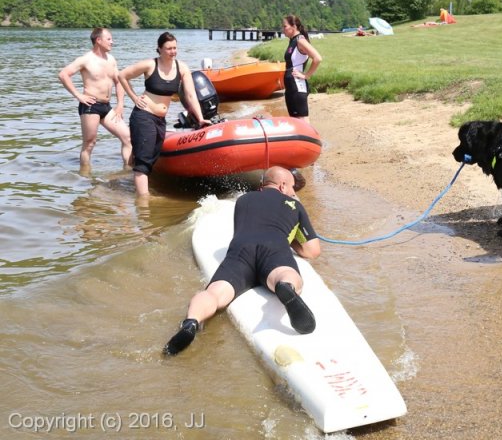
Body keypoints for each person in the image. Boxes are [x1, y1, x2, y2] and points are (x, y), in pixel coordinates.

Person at [164, 166, 321, 356]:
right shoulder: (294, 205)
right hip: (273, 249)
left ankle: (191, 322)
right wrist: (292, 236)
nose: (293, 192)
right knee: (283, 274)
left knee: (214, 293)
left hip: (240, 252)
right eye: (292, 187)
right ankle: (285, 286)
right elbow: (313, 251)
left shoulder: (243, 200)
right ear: (282, 186)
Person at [118, 32, 210, 197]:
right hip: (143, 116)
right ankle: (143, 202)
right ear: (159, 49)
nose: (173, 51)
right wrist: (134, 98)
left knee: (150, 157)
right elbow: (122, 75)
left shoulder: (182, 68)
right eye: (168, 48)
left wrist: (200, 117)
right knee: (143, 163)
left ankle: (130, 170)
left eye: (175, 48)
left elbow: (190, 95)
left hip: (160, 120)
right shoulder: (150, 65)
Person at [58, 27, 132, 173]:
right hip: (90, 106)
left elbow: (119, 82)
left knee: (127, 138)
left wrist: (120, 104)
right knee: (89, 143)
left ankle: (127, 173)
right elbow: (63, 74)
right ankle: (85, 176)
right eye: (109, 39)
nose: (112, 42)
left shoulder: (111, 59)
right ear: (98, 40)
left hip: (107, 107)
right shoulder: (86, 59)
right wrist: (79, 95)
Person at [282, 15, 322, 123]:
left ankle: (311, 139)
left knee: (302, 120)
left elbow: (317, 58)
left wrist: (306, 75)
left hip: (297, 86)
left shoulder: (300, 40)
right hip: (291, 87)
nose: (283, 29)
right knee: (295, 121)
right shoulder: (292, 41)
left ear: (293, 26)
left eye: (285, 26)